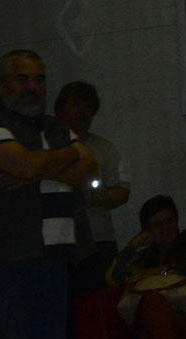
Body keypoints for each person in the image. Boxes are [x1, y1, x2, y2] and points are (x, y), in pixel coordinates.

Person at [0, 49, 97, 339]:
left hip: (56, 259)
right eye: (22, 80)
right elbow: (22, 164)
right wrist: (67, 156)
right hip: (4, 263)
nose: (33, 88)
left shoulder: (55, 126)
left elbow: (88, 168)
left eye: (39, 80)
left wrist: (36, 170)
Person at [107, 195, 186, 338]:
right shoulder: (144, 258)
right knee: (152, 306)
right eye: (157, 224)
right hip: (156, 321)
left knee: (153, 306)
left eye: (169, 221)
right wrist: (133, 245)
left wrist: (161, 271)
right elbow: (113, 279)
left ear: (176, 221)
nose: (165, 228)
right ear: (147, 230)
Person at [54, 80, 131, 296]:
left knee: (98, 307)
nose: (82, 112)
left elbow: (123, 191)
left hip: (98, 242)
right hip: (57, 243)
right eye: (76, 105)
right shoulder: (46, 149)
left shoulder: (106, 149)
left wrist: (95, 198)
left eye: (88, 107)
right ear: (61, 109)